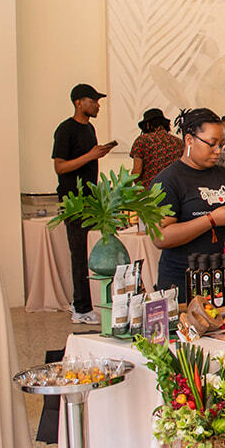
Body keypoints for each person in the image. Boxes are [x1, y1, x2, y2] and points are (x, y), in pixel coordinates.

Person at [150, 109, 225, 300]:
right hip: (183, 282)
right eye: (212, 144)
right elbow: (160, 237)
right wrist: (211, 219)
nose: (218, 151)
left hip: (223, 279)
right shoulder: (168, 180)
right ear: (189, 140)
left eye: (222, 145)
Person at [52, 83, 116, 324]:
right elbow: (60, 167)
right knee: (78, 253)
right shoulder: (65, 129)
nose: (98, 105)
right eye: (94, 100)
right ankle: (81, 308)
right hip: (72, 201)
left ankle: (83, 302)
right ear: (79, 102)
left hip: (90, 199)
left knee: (90, 252)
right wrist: (91, 155)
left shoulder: (90, 129)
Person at [128, 108, 180, 192]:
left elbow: (136, 173)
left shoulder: (142, 140)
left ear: (148, 125)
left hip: (152, 193)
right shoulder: (179, 142)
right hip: (175, 192)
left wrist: (142, 190)